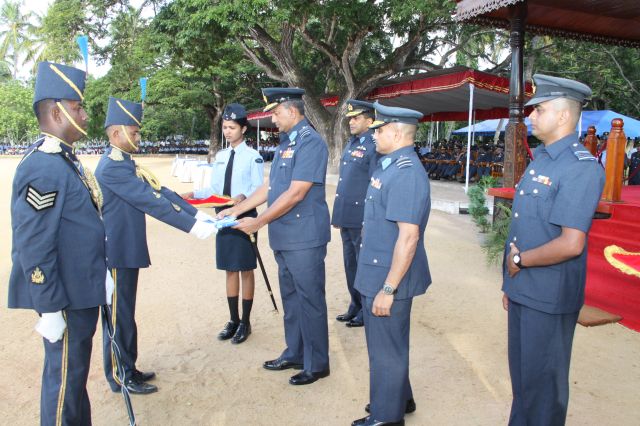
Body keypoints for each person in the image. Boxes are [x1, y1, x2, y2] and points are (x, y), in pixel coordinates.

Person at [95, 96, 217, 395]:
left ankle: (129, 366)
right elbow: (150, 201)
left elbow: (162, 193)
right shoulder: (111, 167)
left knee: (126, 313)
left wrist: (197, 215)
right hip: (116, 252)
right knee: (118, 316)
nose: (139, 137)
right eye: (134, 132)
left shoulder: (125, 163)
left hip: (127, 249)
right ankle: (120, 375)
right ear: (116, 133)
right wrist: (192, 227)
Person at [502, 74, 605, 425]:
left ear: (563, 116)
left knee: (544, 388)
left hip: (548, 295)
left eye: (539, 109)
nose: (530, 116)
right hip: (524, 288)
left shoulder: (580, 167)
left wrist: (519, 261)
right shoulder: (543, 159)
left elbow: (571, 243)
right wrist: (511, 284)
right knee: (524, 382)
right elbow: (525, 226)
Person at [8, 61, 106, 425]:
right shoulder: (44, 166)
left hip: (79, 291)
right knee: (63, 384)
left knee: (74, 380)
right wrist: (49, 306)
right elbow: (34, 243)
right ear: (56, 112)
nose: (84, 114)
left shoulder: (64, 160)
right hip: (63, 298)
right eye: (77, 107)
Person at [218, 87, 331, 386]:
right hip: (285, 236)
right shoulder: (286, 144)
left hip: (304, 238)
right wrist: (236, 210)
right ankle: (295, 352)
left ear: (292, 112)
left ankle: (317, 363)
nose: (273, 119)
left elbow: (296, 193)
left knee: (310, 300)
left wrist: (258, 222)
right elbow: (270, 187)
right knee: (291, 299)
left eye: (277, 113)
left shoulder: (310, 142)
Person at [352, 102, 432, 426]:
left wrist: (388, 288)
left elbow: (409, 237)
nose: (373, 135)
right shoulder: (389, 166)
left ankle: (387, 417)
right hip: (378, 268)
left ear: (397, 133)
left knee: (385, 349)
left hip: (389, 275)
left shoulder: (406, 172)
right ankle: (400, 398)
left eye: (379, 130)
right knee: (388, 343)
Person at [185, 103, 264, 344]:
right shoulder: (220, 156)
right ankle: (233, 319)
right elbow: (214, 188)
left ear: (243, 129)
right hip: (222, 217)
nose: (227, 132)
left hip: (244, 216)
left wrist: (242, 197)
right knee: (230, 268)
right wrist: (193, 194)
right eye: (225, 127)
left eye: (232, 127)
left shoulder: (253, 157)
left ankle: (246, 321)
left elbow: (258, 189)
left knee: (245, 269)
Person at [332, 99, 378, 328]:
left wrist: (369, 219)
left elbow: (374, 185)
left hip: (361, 217)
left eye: (356, 118)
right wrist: (338, 214)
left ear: (369, 121)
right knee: (350, 263)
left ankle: (366, 310)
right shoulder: (352, 143)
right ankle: (355, 303)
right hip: (347, 215)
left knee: (363, 265)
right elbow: (345, 180)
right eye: (350, 118)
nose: (351, 121)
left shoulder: (374, 146)